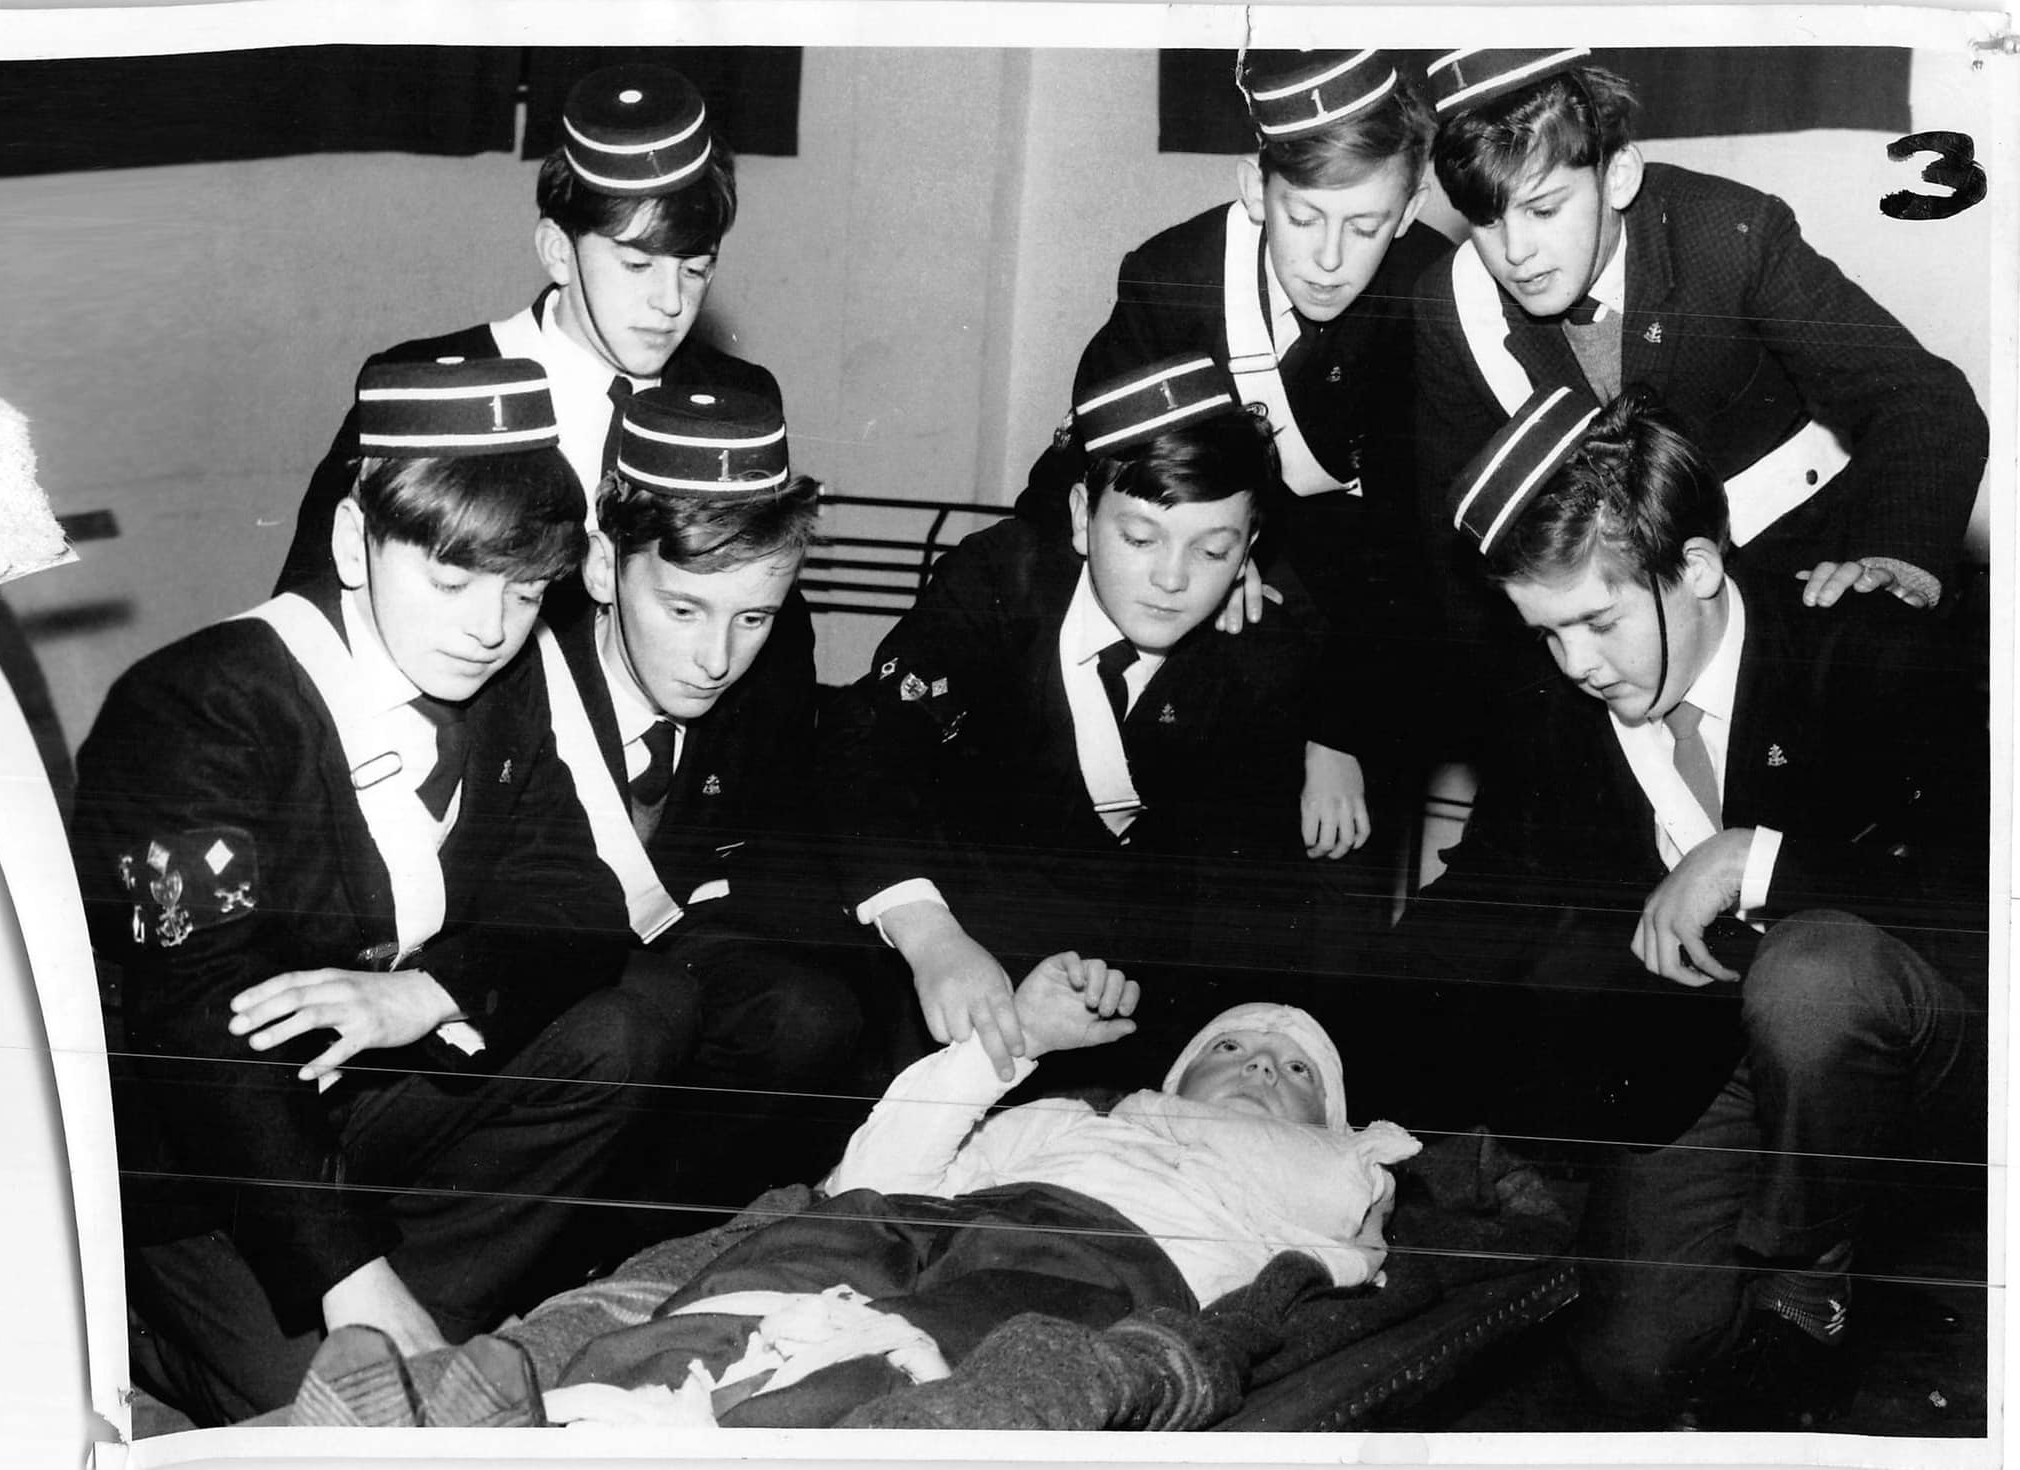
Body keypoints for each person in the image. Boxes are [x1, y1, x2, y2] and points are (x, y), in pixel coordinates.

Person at [72, 359, 666, 1424]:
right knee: (307, 1404)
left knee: (634, 1028)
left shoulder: (498, 668)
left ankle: (407, 1313)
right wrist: (343, 1274)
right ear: (354, 543)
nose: (490, 626)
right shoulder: (196, 707)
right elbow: (197, 1030)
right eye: (451, 581)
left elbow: (574, 894)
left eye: (524, 593)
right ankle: (154, 1323)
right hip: (202, 1159)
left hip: (365, 1098)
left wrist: (426, 994)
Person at [1386, 383, 1984, 1428]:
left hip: (1916, 1050)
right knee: (1633, 1367)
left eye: (1597, 621)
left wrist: (1755, 860)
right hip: (1714, 1063)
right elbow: (1474, 902)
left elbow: (1984, 900)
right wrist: (1290, 1036)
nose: (1575, 665)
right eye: (1544, 633)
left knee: (1812, 978)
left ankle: (1808, 1285)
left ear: (1696, 568)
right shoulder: (1555, 703)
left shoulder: (1866, 646)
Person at [539, 960, 1420, 1427]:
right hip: (967, 1215)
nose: (1261, 1062)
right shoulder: (1077, 1120)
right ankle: (612, 1403)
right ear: (1180, 1076)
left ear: (1328, 1119)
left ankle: (770, 1434)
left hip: (1116, 1270)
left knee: (965, 1333)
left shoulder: (1328, 1178)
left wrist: (1361, 1187)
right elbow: (878, 1179)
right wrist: (1002, 1050)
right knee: (827, 1238)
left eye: (1298, 1069)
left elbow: (1334, 1274)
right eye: (1228, 1050)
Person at [1410, 47, 1989, 710]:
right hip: (1605, 633)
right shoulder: (1451, 307)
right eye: (1487, 218)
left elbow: (1921, 398)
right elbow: (1456, 547)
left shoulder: (1730, 235)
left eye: (1544, 209)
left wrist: (1892, 561)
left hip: (1796, 575)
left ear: (1619, 176)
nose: (1515, 253)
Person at [832, 352, 1329, 1090]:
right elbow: (868, 755)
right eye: (1139, 538)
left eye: (1213, 549)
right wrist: (931, 936)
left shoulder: (1259, 653)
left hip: (1128, 979)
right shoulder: (997, 585)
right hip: (958, 930)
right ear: (1078, 517)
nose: (1172, 578)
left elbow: (1238, 891)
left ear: (1250, 551)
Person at [1019, 48, 1453, 856]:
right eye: (1303, 218)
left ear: (1409, 207)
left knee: (1340, 860)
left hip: (1367, 625)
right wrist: (1219, 551)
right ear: (1256, 188)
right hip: (1198, 602)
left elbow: (1413, 541)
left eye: (1363, 227)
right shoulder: (1173, 279)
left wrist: (1339, 733)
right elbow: (1083, 475)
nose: (1329, 260)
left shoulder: (1433, 294)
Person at [536, 381, 867, 1205]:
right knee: (637, 1023)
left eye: (751, 618)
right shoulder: (522, 661)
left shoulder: (779, 647)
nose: (717, 658)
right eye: (683, 608)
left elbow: (780, 821)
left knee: (818, 1014)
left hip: (672, 937)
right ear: (605, 566)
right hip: (528, 955)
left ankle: (644, 1229)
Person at [275, 61, 784, 580]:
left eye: (696, 269)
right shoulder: (424, 390)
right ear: (558, 252)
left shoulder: (739, 401)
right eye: (636, 265)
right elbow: (314, 602)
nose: (671, 302)